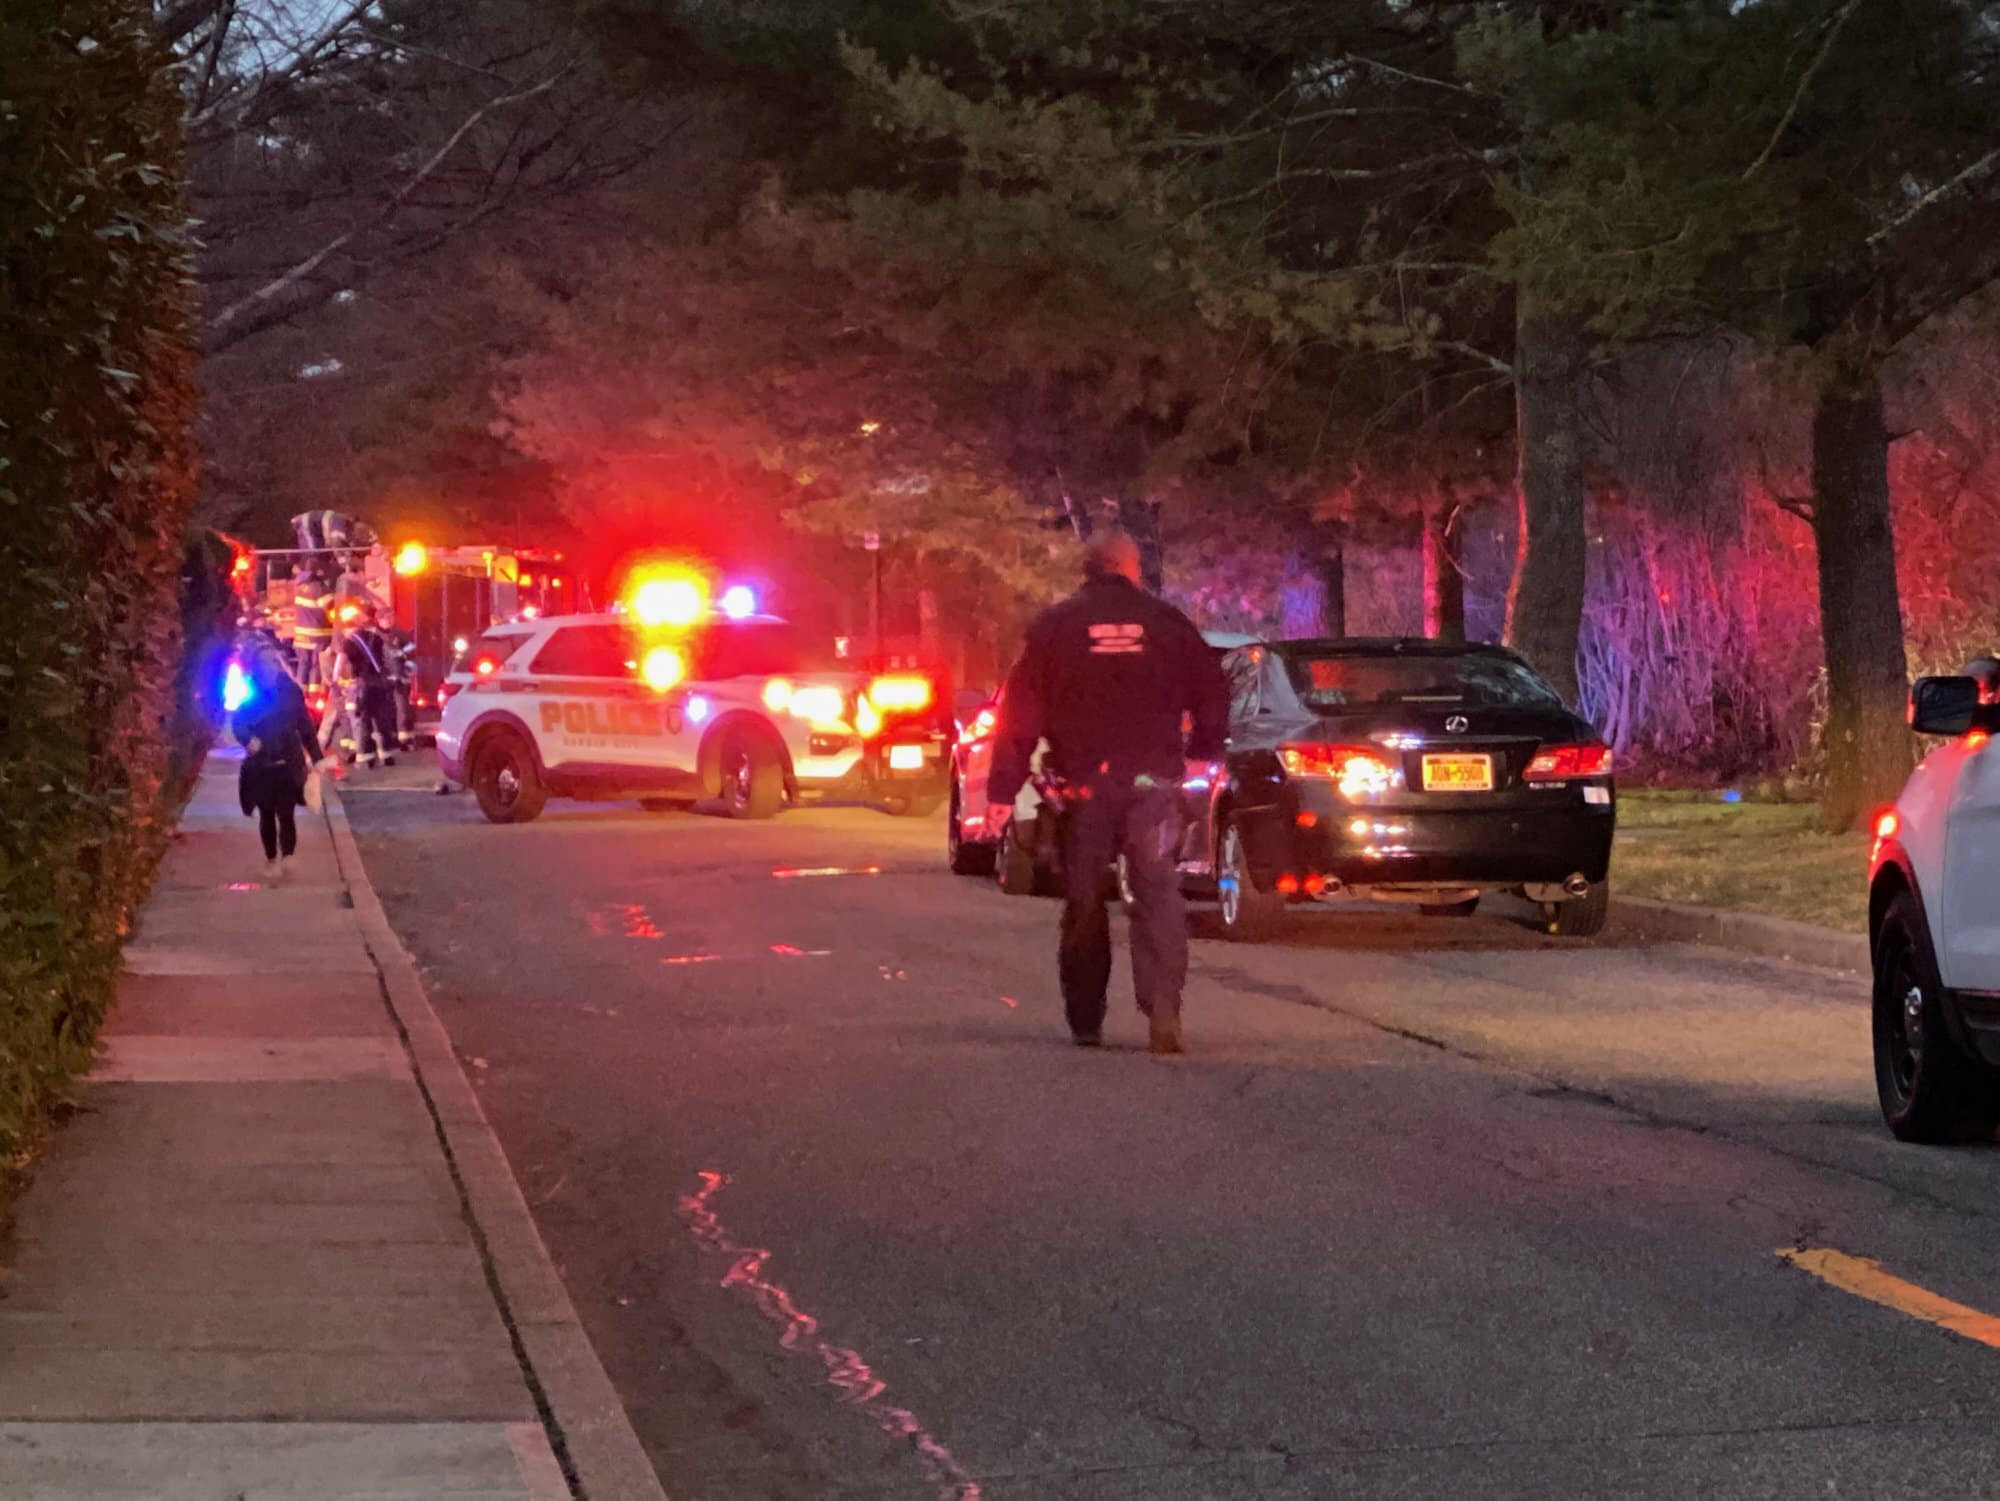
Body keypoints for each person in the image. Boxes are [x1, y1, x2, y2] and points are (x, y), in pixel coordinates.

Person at [988, 530, 1229, 1055]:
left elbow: (1019, 713)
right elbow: (1212, 688)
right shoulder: (1167, 624)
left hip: (1083, 785)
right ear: (1130, 567)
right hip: (1152, 782)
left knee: (1083, 899)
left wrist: (1003, 788)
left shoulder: (1055, 627)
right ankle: (1163, 1010)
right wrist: (1204, 751)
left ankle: (1086, 1020)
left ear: (1088, 569)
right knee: (1158, 891)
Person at [232, 644, 325, 881]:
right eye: (263, 664)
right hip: (262, 765)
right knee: (266, 813)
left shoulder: (290, 691)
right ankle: (271, 857)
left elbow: (304, 725)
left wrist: (317, 758)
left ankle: (289, 855)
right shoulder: (250, 693)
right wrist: (247, 739)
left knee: (286, 812)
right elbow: (238, 721)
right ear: (256, 668)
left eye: (271, 663)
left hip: (287, 763)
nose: (268, 669)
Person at [340, 607, 400, 768]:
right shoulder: (376, 638)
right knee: (382, 722)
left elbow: (338, 669)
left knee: (361, 722)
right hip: (380, 685)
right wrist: (392, 679)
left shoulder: (348, 643)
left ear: (349, 627)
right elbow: (389, 660)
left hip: (361, 688)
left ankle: (366, 760)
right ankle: (387, 756)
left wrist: (339, 683)